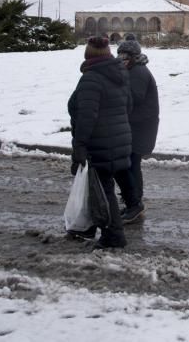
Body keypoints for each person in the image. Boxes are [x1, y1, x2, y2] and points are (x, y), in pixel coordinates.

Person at [67, 36, 132, 249]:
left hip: (100, 142)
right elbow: (128, 106)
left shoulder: (92, 78)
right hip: (118, 138)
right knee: (101, 187)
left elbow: (87, 117)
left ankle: (114, 236)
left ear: (88, 55)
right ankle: (90, 227)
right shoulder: (119, 74)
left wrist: (79, 146)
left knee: (103, 190)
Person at [114, 33, 159, 224]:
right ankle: (133, 201)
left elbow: (133, 99)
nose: (121, 59)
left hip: (140, 127)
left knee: (131, 164)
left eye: (125, 56)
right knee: (131, 164)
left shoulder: (138, 72)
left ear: (133, 57)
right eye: (119, 55)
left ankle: (135, 203)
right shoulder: (132, 70)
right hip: (137, 124)